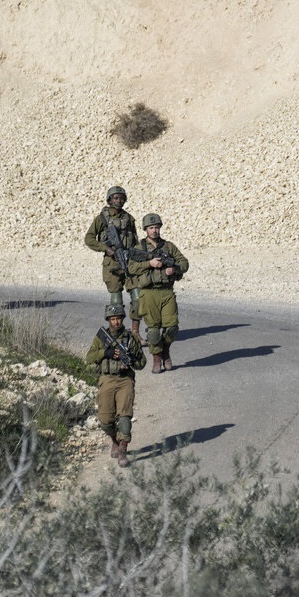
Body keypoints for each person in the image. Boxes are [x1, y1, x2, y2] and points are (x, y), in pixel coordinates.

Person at [86, 303, 146, 467]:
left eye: (118, 318)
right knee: (105, 420)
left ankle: (122, 451)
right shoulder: (101, 337)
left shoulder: (130, 338)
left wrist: (133, 358)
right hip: (106, 379)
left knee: (125, 417)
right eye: (113, 319)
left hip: (125, 380)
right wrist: (106, 353)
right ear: (108, 320)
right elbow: (89, 357)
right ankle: (114, 439)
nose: (116, 322)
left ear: (122, 319)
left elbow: (142, 363)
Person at [127, 213, 189, 374]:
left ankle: (165, 351)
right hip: (148, 293)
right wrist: (150, 263)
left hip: (167, 292)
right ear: (146, 230)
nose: (154, 231)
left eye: (156, 227)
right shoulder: (140, 249)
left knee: (172, 328)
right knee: (153, 331)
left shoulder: (169, 247)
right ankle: (156, 359)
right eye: (151, 228)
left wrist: (174, 269)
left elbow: (184, 262)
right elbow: (131, 268)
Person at [84, 185, 145, 344]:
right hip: (112, 264)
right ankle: (118, 335)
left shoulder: (129, 218)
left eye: (121, 198)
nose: (119, 201)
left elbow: (136, 240)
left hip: (130, 262)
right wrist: (106, 248)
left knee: (138, 298)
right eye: (115, 198)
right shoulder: (101, 218)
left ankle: (135, 333)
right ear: (110, 200)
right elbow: (89, 239)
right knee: (116, 303)